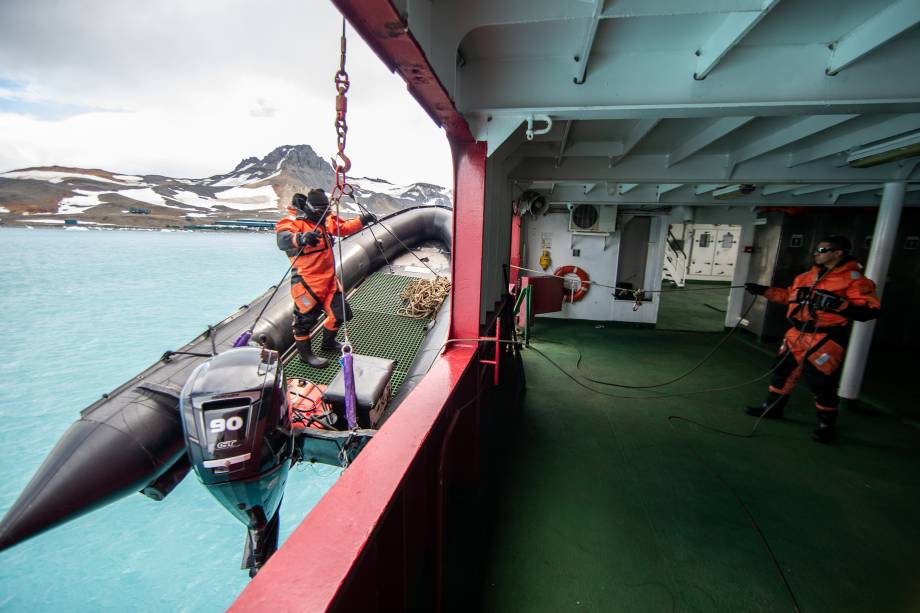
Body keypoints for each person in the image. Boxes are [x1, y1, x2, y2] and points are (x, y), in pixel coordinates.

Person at [744, 235, 881, 443]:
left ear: (838, 253)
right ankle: (772, 407)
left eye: (823, 250)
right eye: (817, 249)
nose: (816, 253)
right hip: (796, 334)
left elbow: (869, 311)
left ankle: (826, 424)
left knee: (821, 381)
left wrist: (839, 304)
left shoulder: (855, 280)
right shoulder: (806, 276)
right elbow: (789, 295)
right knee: (782, 371)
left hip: (826, 337)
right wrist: (764, 291)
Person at [276, 189, 376, 368]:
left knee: (340, 314)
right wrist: (300, 238)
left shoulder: (325, 221)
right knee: (303, 322)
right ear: (311, 209)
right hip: (307, 282)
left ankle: (328, 343)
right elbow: (283, 240)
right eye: (322, 212)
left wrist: (363, 220)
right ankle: (305, 355)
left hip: (329, 280)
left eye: (327, 212)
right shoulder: (293, 222)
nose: (326, 215)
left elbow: (343, 228)